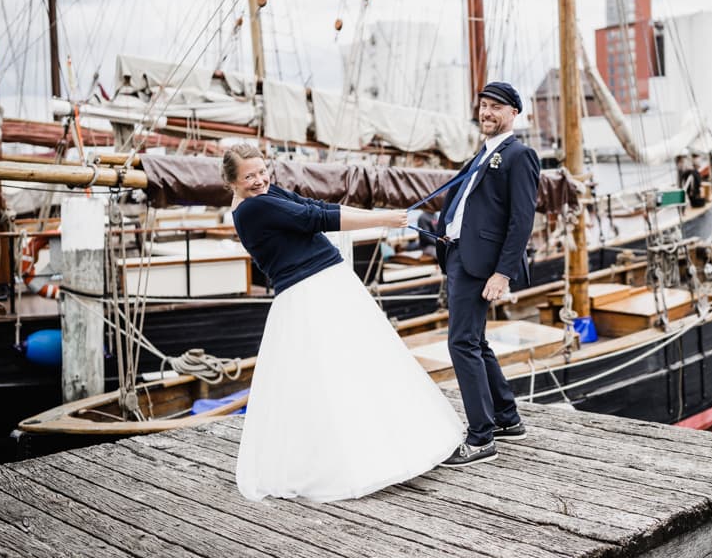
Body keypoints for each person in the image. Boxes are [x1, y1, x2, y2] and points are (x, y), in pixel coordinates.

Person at [223, 144, 463, 501]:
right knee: (343, 373)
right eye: (249, 177)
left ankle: (385, 446)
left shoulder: (267, 194)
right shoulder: (254, 208)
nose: (259, 180)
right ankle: (363, 458)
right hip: (311, 292)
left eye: (262, 171)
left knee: (360, 367)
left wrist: (377, 213)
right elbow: (315, 220)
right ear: (232, 182)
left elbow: (315, 207)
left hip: (324, 284)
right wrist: (382, 218)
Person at [435, 81, 540, 467]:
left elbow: (521, 220)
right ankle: (507, 420)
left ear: (514, 113)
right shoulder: (482, 154)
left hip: (482, 263)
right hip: (461, 255)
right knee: (475, 342)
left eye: (496, 106)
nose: (487, 112)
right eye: (483, 105)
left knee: (461, 343)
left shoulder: (518, 155)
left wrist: (503, 273)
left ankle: (481, 438)